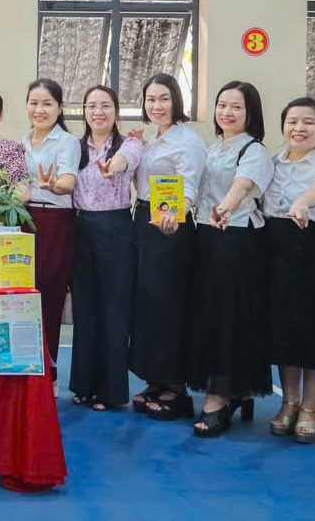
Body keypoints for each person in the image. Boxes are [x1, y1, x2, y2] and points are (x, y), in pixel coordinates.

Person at [189, 81, 274, 437]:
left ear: (250, 113)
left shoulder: (255, 150)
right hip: (206, 236)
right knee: (209, 314)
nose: (227, 112)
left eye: (236, 107)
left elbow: (242, 186)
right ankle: (236, 389)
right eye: (222, 105)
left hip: (236, 238)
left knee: (229, 317)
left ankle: (221, 395)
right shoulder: (213, 148)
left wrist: (224, 208)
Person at [262, 97, 315, 444]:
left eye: (308, 122)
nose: (299, 128)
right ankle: (289, 401)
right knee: (284, 328)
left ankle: (311, 406)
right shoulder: (271, 162)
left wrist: (302, 202)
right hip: (276, 250)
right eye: (292, 121)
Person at [129, 73, 206, 420]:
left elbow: (189, 186)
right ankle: (156, 379)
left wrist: (177, 215)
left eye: (163, 98)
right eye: (150, 99)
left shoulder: (187, 141)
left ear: (176, 100)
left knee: (170, 307)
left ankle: (177, 388)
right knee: (148, 306)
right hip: (145, 222)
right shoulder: (151, 139)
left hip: (171, 226)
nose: (156, 105)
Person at [69, 85, 141, 411]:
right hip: (80, 228)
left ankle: (110, 391)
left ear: (116, 111)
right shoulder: (75, 148)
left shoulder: (130, 144)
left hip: (116, 230)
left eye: (105, 105)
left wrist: (115, 165)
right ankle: (83, 384)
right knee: (85, 309)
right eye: (92, 106)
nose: (98, 112)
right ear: (84, 111)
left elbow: (127, 161)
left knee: (114, 311)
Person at [21, 78, 79, 389]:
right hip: (22, 221)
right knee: (23, 295)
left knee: (49, 296)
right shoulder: (21, 142)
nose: (39, 110)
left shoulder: (66, 142)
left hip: (55, 221)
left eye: (47, 104)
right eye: (34, 103)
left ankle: (49, 375)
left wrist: (51, 185)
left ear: (59, 108)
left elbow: (68, 183)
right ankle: (25, 369)